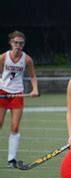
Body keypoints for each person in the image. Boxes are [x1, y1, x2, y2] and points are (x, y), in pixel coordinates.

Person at [0, 30, 39, 168]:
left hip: (17, 93)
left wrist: (35, 89)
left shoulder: (27, 59)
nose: (18, 45)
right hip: (3, 92)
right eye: (16, 43)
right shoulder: (3, 57)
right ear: (11, 43)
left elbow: (33, 76)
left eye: (21, 43)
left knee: (15, 126)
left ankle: (12, 159)